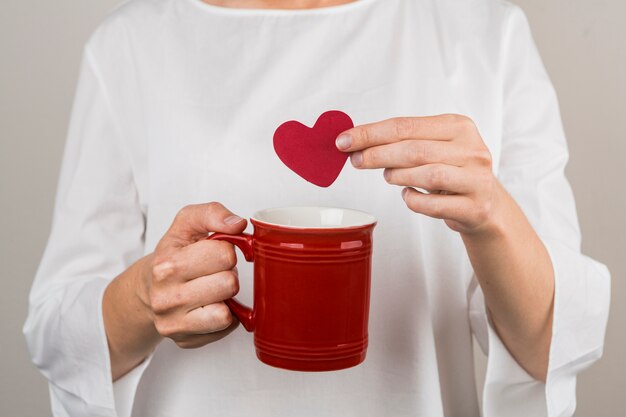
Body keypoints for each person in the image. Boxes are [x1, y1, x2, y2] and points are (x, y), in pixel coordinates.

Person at [23, 0, 611, 416]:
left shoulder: (486, 34)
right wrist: (146, 298)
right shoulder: (131, 44)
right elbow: (56, 333)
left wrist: (491, 218)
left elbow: (551, 348)